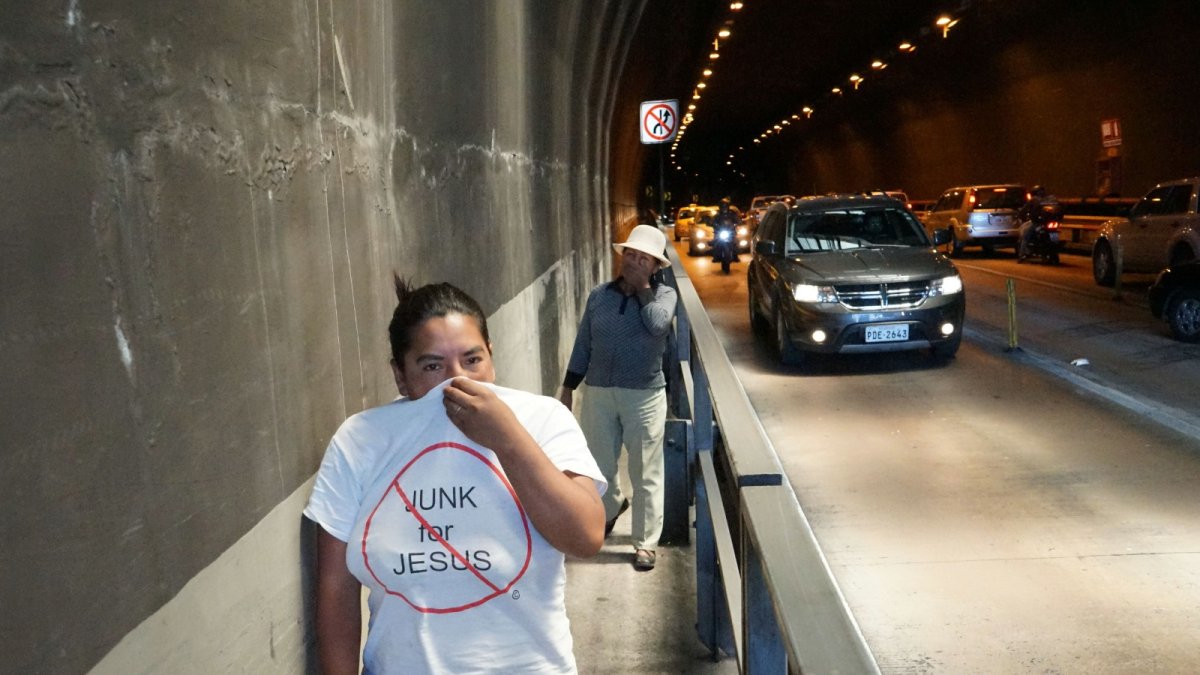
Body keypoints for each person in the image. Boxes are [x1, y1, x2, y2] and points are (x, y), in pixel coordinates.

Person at [305, 276, 607, 674]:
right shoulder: (360, 440)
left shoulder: (542, 420)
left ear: (492, 357)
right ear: (400, 375)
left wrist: (509, 440)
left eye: (472, 359)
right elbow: (336, 589)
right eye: (432, 365)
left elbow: (584, 536)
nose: (457, 379)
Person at [558, 225, 678, 572]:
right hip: (597, 391)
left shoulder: (663, 296)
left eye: (644, 259)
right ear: (621, 256)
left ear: (656, 266)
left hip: (644, 394)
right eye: (630, 255)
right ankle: (611, 507)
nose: (635, 262)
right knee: (597, 467)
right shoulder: (600, 295)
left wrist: (642, 289)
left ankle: (645, 543)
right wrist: (569, 386)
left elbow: (657, 326)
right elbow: (584, 342)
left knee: (645, 472)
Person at [1017, 185, 1058, 260]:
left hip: (1038, 223)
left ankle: (1021, 255)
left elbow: (1024, 210)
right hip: (1052, 222)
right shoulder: (1051, 198)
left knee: (1025, 237)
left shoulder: (1033, 200)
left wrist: (1020, 215)